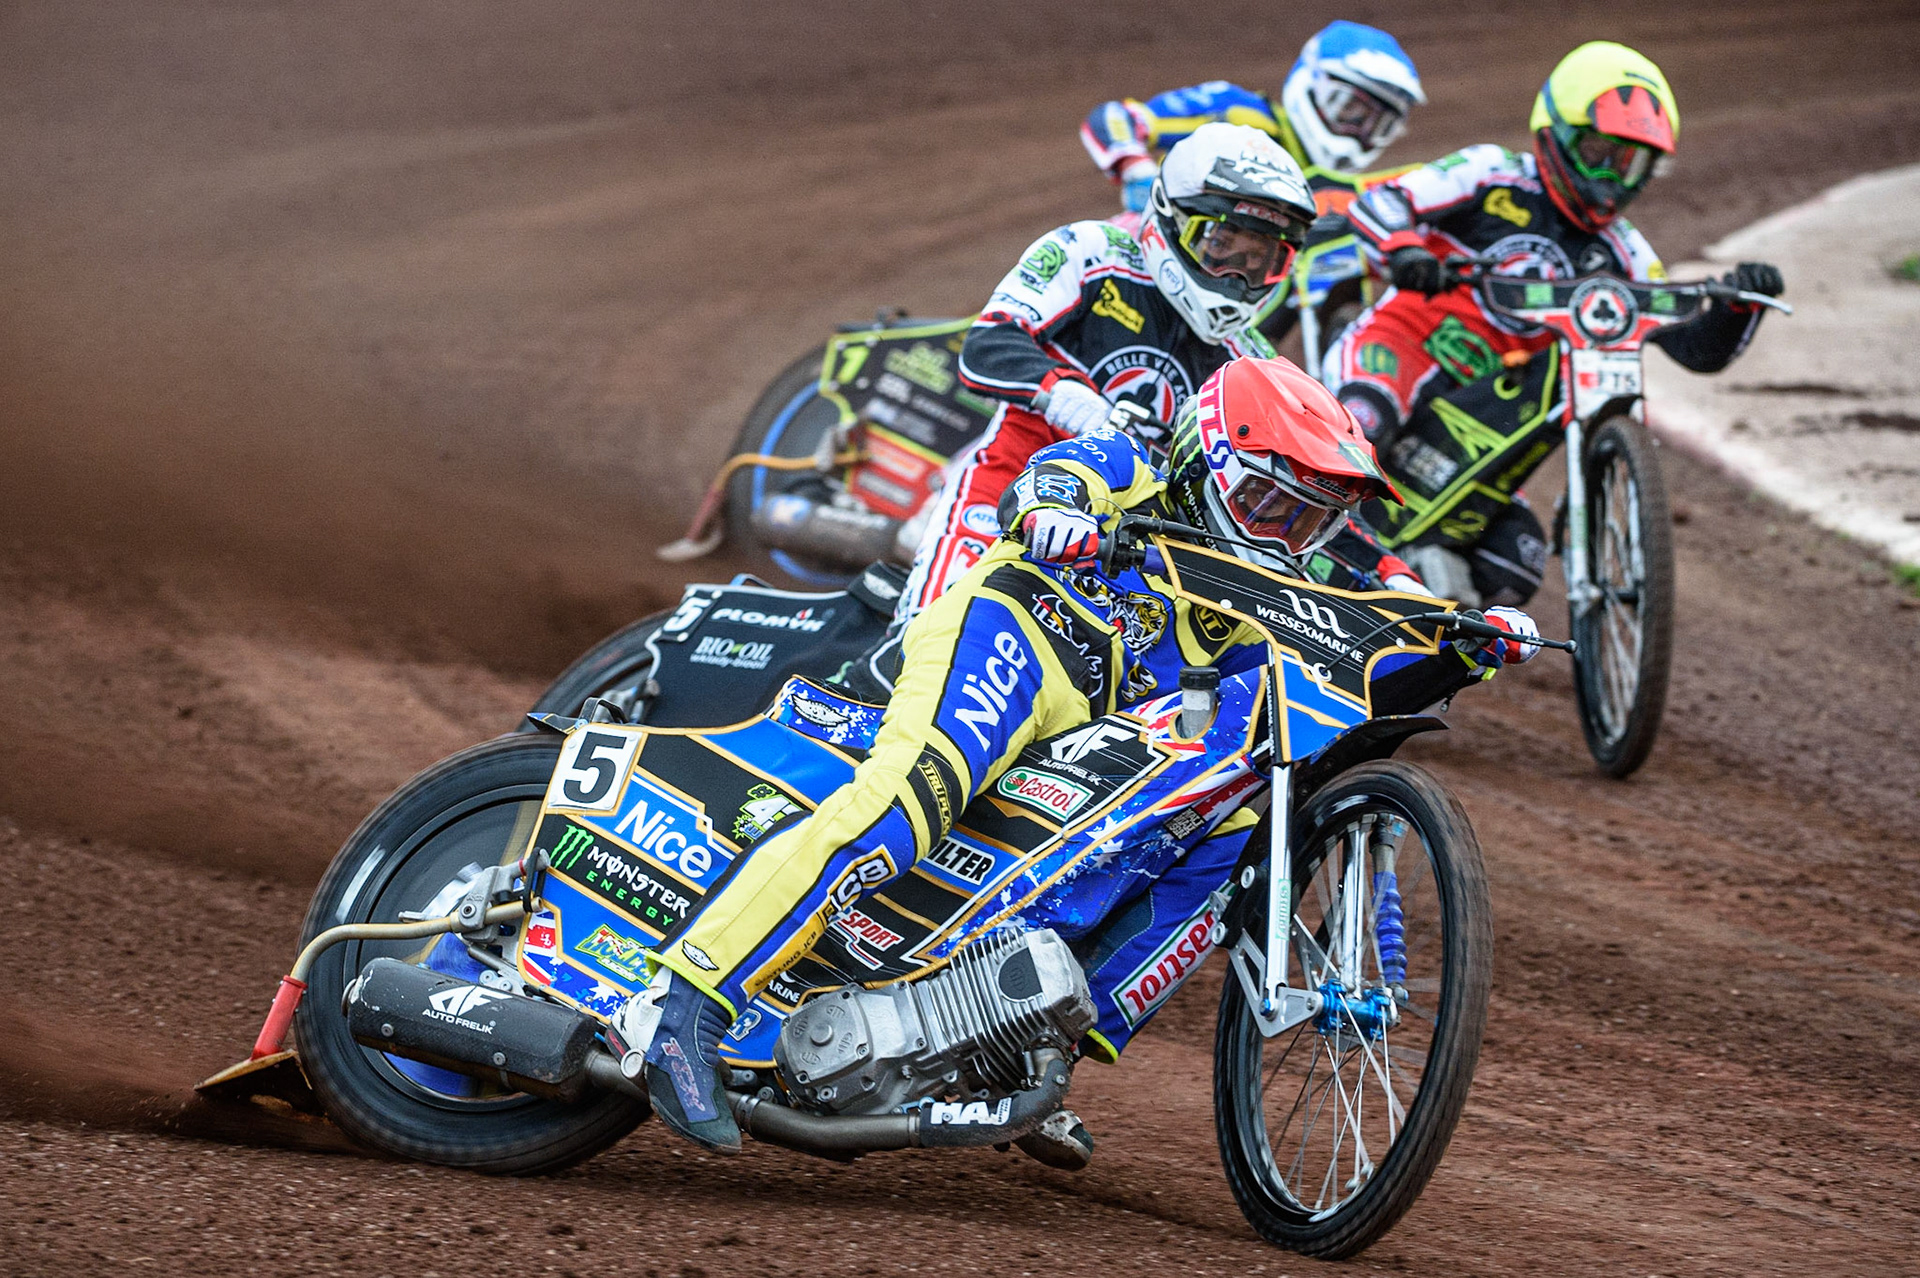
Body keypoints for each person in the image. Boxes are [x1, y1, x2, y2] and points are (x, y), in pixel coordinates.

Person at [607, 356, 1542, 1155]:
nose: (1281, 535)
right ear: (1209, 460)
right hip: (1021, 634)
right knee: (910, 801)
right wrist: (1058, 514)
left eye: (1303, 522)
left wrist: (1477, 629)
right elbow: (1051, 480)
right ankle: (686, 1003)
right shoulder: (1135, 460)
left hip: (1115, 721)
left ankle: (1018, 1048)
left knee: (1220, 844)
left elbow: (1392, 586)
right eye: (1264, 502)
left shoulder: (1307, 552)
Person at [895, 121, 1421, 649]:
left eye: (1261, 259)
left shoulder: (1248, 358)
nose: (1238, 275)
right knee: (931, 641)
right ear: (1172, 219)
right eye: (1223, 246)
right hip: (1008, 488)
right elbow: (988, 343)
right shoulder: (1093, 252)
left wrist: (1389, 571)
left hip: (1134, 549)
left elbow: (1299, 484)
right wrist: (1062, 394)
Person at [1323, 40, 1786, 606]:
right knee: (1357, 430)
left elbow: (1694, 349)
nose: (1610, 180)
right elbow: (1382, 203)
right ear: (1556, 133)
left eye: (1630, 163)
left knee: (1514, 563)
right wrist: (1405, 254)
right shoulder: (1491, 172)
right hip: (1401, 346)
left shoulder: (1626, 252)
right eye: (1599, 153)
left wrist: (1741, 307)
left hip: (1494, 401)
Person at [1080, 21, 1426, 217]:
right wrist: (1137, 169)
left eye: (1377, 125)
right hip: (1156, 255)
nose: (1358, 132)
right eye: (1351, 109)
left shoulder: (1347, 195)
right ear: (1314, 82)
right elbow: (1117, 117)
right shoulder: (1240, 114)